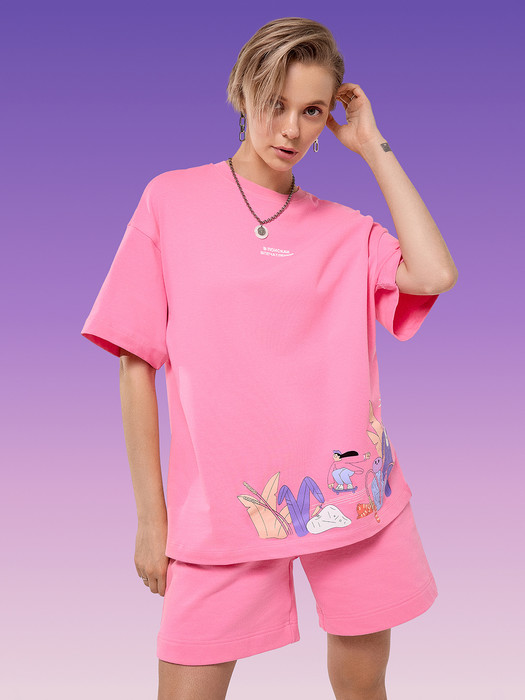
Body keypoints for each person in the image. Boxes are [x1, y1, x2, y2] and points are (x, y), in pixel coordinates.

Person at [80, 16, 458, 700]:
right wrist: (151, 518)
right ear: (241, 93)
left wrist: (372, 148)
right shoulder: (170, 200)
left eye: (311, 111)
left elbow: (433, 273)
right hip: (220, 507)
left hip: (349, 498)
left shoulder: (345, 231)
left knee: (364, 689)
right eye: (274, 103)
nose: (289, 129)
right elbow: (135, 362)